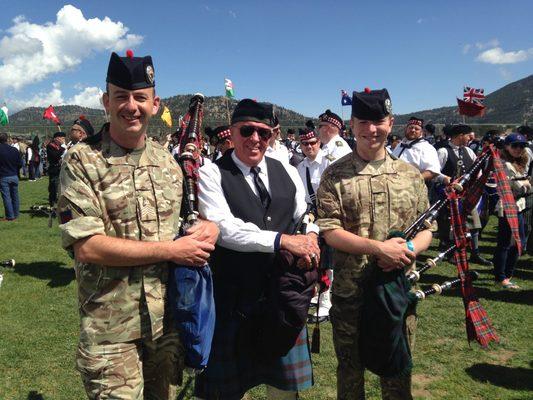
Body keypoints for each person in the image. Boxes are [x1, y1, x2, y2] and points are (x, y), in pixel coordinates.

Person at [57, 50, 218, 399]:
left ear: (155, 104)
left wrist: (209, 229)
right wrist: (172, 251)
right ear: (106, 101)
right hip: (110, 330)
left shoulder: (168, 163)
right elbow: (88, 245)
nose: (131, 106)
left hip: (166, 326)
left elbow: (192, 220)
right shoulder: (82, 160)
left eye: (140, 98)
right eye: (121, 96)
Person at [196, 99, 320, 400]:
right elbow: (224, 228)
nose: (255, 139)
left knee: (282, 392)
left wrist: (312, 236)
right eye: (247, 131)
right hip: (233, 300)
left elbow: (303, 215)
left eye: (263, 133)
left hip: (281, 299)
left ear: (272, 136)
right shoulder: (211, 173)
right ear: (233, 131)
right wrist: (282, 241)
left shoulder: (286, 171)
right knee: (225, 392)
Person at [316, 88, 433, 400]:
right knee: (351, 370)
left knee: (396, 369)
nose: (371, 129)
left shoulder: (410, 176)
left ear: (390, 122)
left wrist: (408, 251)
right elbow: (330, 232)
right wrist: (380, 249)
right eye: (363, 121)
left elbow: (427, 229)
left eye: (378, 120)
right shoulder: (334, 176)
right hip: (351, 292)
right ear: (352, 124)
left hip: (396, 290)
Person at [436, 124, 492, 265]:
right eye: (468, 135)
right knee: (452, 225)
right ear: (460, 135)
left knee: (473, 223)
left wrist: (478, 180)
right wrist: (446, 179)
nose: (470, 138)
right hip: (449, 195)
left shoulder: (468, 151)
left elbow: (476, 169)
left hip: (468, 194)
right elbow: (435, 172)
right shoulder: (443, 151)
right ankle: (452, 253)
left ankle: (475, 253)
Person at [492, 133, 531, 289]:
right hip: (508, 205)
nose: (518, 149)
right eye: (514, 145)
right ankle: (501, 276)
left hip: (518, 204)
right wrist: (527, 182)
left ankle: (506, 274)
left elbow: (523, 185)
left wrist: (526, 183)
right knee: (507, 241)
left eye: (521, 146)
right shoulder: (505, 163)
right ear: (506, 147)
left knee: (517, 240)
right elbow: (520, 187)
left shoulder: (520, 161)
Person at [392, 117, 441, 182]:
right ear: (406, 129)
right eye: (411, 127)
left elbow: (433, 171)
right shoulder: (400, 144)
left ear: (421, 132)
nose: (413, 130)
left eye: (416, 129)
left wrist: (412, 181)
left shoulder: (427, 148)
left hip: (411, 188)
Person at [0, 132, 22, 221]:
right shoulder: (14, 150)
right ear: (7, 139)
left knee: (6, 197)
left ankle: (10, 216)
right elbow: (20, 163)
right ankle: (16, 214)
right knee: (15, 196)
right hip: (14, 175)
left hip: (3, 176)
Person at [46, 131, 66, 206]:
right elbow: (55, 156)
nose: (63, 140)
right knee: (53, 187)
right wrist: (63, 148)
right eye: (62, 138)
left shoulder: (61, 147)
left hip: (61, 169)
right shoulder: (50, 146)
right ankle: (52, 203)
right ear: (57, 138)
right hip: (54, 169)